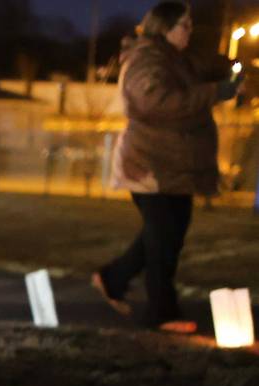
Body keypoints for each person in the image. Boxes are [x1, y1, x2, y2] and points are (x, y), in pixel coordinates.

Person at [93, 1, 244, 334]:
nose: (190, 32)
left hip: (172, 167)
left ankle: (111, 278)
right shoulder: (145, 59)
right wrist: (213, 93)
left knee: (165, 235)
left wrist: (231, 68)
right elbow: (154, 103)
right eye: (184, 26)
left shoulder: (175, 58)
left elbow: (205, 65)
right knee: (163, 240)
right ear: (164, 27)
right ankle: (161, 312)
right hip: (149, 166)